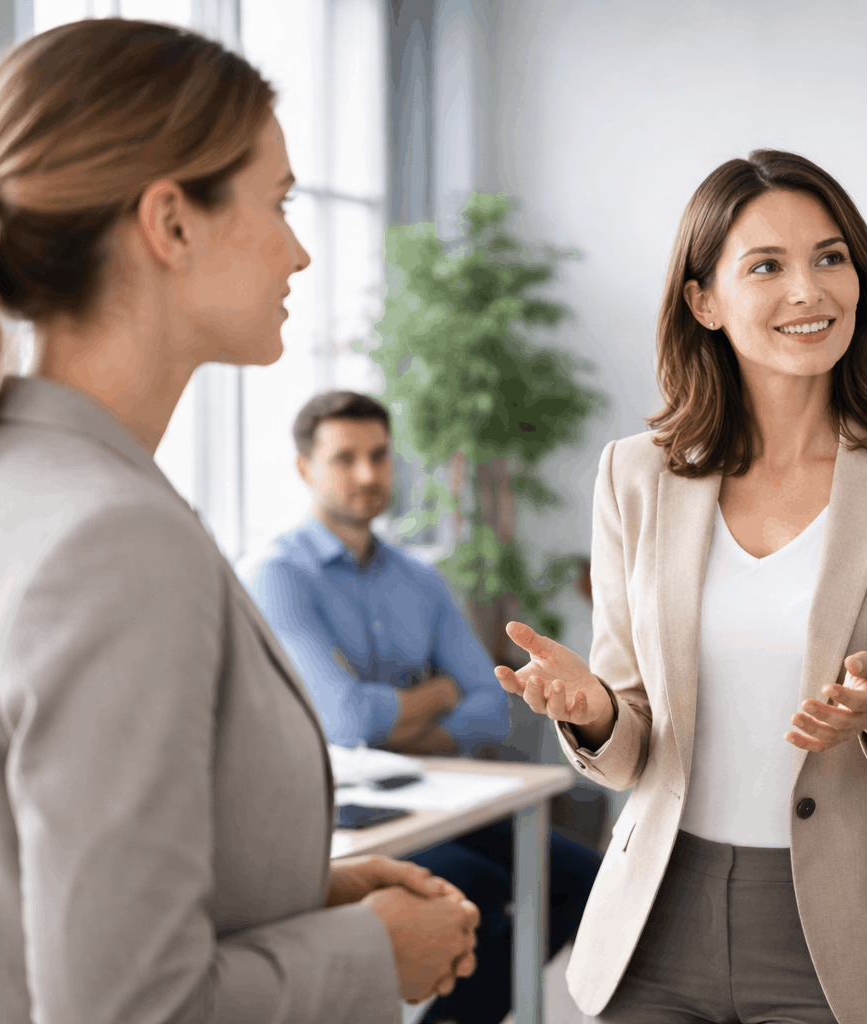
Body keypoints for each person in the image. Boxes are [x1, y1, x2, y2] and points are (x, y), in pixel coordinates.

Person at [0, 19, 480, 1023]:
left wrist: (298, 901)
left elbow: (34, 890)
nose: (301, 249)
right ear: (172, 224)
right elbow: (129, 1006)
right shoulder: (109, 539)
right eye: (277, 204)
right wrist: (366, 952)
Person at [494, 150, 867, 1024]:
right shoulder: (634, 475)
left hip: (853, 939)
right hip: (658, 916)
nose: (808, 290)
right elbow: (631, 740)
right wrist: (592, 713)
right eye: (766, 266)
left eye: (830, 258)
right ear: (703, 301)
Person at [243, 389, 600, 1024]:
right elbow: (345, 721)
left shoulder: (418, 578)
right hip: (336, 816)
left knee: (581, 878)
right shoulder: (277, 576)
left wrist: (402, 725)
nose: (367, 475)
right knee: (479, 889)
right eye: (345, 458)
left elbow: (491, 707)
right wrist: (437, 695)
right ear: (305, 469)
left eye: (379, 456)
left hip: (436, 793)